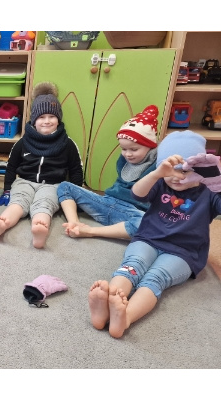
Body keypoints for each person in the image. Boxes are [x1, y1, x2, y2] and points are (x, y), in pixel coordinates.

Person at [88, 130, 221, 338]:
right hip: (148, 239)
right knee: (132, 265)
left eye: (185, 172)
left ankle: (125, 317)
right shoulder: (160, 182)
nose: (176, 177)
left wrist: (217, 181)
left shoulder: (210, 193)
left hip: (183, 252)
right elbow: (137, 193)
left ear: (200, 171)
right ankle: (104, 308)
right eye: (169, 171)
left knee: (155, 277)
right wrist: (157, 173)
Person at [0, 82, 83, 248]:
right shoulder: (23, 142)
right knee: (19, 201)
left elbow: (76, 170)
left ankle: (40, 226)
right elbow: (11, 167)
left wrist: (75, 195)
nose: (47, 121)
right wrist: (7, 190)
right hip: (24, 181)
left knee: (45, 203)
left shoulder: (67, 144)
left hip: (52, 185)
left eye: (52, 116)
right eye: (41, 117)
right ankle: (4, 222)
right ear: (33, 120)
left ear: (58, 119)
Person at [57, 105, 159, 240]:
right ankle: (74, 223)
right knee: (64, 186)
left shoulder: (158, 163)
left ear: (150, 146)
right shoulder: (124, 158)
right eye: (123, 149)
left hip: (132, 213)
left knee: (147, 225)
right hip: (107, 202)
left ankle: (91, 231)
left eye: (134, 150)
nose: (127, 154)